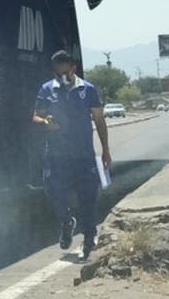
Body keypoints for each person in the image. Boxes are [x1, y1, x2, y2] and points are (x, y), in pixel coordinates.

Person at [33, 49, 111, 259]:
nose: (61, 77)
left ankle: (88, 238)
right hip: (56, 156)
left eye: (65, 72)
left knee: (88, 198)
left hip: (83, 155)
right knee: (53, 191)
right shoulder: (47, 89)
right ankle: (66, 221)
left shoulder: (88, 90)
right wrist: (45, 123)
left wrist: (105, 151)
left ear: (73, 69)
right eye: (57, 73)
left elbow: (99, 120)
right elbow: (36, 117)